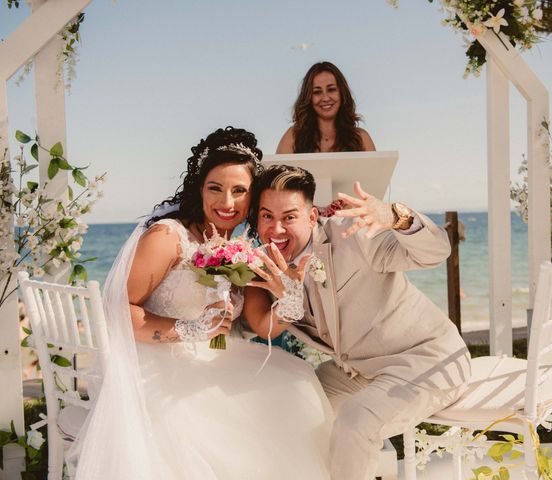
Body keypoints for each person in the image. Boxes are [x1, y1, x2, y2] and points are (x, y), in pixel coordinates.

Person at [68, 129, 333, 480]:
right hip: (155, 362)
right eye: (215, 188)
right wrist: (186, 329)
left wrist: (290, 297)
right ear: (199, 188)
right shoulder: (168, 237)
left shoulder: (243, 248)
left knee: (296, 383)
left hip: (215, 355)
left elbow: (261, 325)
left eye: (239, 191)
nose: (228, 201)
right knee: (227, 425)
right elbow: (117, 310)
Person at [243, 165, 471, 480]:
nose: (276, 229)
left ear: (312, 217)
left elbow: (435, 252)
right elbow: (255, 326)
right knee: (291, 402)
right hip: (358, 369)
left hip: (426, 359)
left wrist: (396, 216)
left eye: (289, 217)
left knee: (356, 419)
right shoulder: (265, 266)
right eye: (267, 216)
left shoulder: (352, 235)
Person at [276, 61, 375, 154]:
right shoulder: (293, 137)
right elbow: (276, 172)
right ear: (309, 98)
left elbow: (377, 172)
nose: (325, 98)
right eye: (317, 92)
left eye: (331, 89)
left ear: (341, 93)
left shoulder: (361, 138)